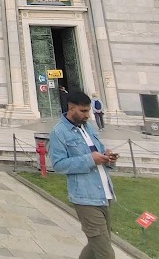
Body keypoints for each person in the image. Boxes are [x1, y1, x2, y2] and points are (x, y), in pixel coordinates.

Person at [49, 90, 119, 259]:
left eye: (88, 110)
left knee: (98, 245)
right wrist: (90, 159)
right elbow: (58, 165)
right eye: (84, 111)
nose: (88, 115)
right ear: (71, 108)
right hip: (86, 198)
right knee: (105, 254)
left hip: (104, 194)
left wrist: (108, 157)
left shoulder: (88, 127)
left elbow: (99, 152)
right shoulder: (59, 132)